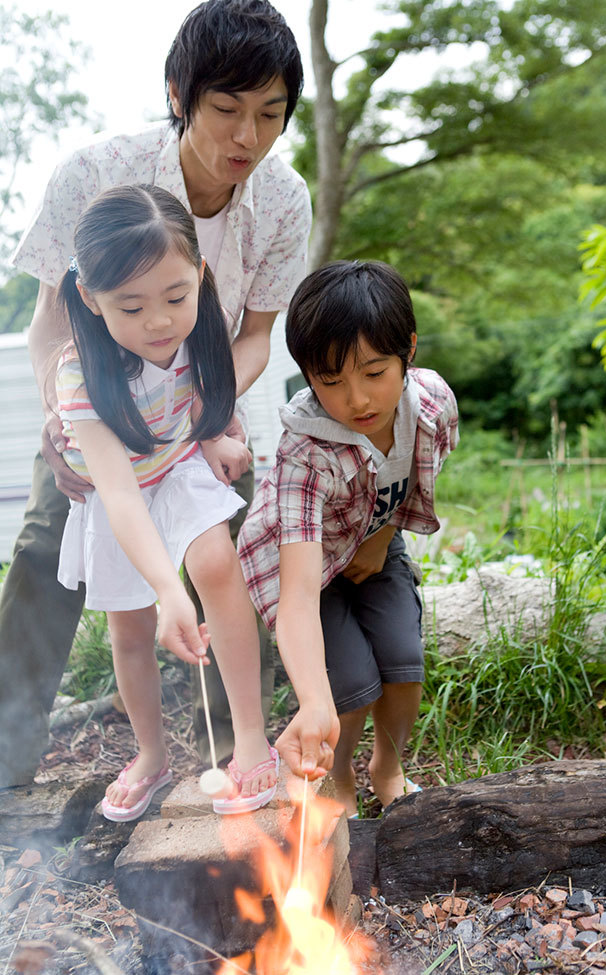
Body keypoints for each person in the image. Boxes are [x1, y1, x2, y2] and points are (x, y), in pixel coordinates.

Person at [0, 0, 311, 789]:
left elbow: (253, 334)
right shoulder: (96, 173)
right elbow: (47, 321)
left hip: (202, 401)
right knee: (45, 549)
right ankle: (11, 747)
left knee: (228, 557)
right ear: (179, 94)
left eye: (271, 114)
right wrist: (63, 423)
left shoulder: (283, 201)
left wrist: (206, 409)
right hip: (96, 401)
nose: (248, 137)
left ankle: (243, 751)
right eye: (227, 109)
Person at [55, 183, 278, 820]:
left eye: (176, 296)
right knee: (128, 626)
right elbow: (121, 495)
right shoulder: (82, 376)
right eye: (131, 306)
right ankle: (151, 755)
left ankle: (252, 738)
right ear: (92, 302)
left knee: (215, 564)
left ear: (199, 277)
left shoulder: (199, 331)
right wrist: (165, 592)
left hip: (176, 465)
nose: (158, 321)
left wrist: (210, 438)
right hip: (115, 491)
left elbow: (199, 400)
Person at [237, 261, 459, 816]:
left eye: (374, 372)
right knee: (351, 683)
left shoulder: (432, 406)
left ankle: (389, 764)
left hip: (373, 534)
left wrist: (382, 540)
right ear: (308, 376)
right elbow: (298, 593)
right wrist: (311, 699)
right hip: (298, 561)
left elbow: (412, 479)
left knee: (404, 662)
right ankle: (338, 779)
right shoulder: (304, 454)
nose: (357, 400)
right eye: (331, 382)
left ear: (408, 349)